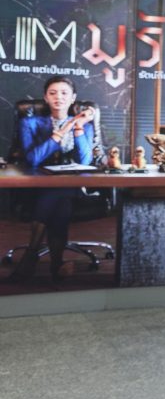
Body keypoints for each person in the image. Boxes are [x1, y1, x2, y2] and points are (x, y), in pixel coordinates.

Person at [8, 76, 96, 282]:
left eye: (64, 93)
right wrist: (60, 133)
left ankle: (31, 255)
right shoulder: (29, 123)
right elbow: (33, 159)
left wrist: (78, 126)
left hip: (72, 183)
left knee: (59, 192)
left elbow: (84, 160)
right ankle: (57, 264)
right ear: (45, 98)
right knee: (59, 198)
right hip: (39, 183)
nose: (59, 97)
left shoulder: (84, 124)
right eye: (53, 93)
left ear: (73, 98)